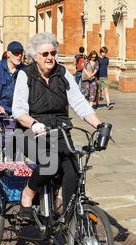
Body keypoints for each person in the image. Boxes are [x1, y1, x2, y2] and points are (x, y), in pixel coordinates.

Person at [12, 32, 102, 219]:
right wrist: (34, 123)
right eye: (45, 54)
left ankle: (67, 225)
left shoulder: (62, 74)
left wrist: (99, 126)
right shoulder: (25, 75)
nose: (50, 57)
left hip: (59, 132)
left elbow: (79, 103)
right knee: (49, 164)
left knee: (73, 173)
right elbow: (19, 110)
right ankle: (28, 193)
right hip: (29, 133)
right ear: (35, 56)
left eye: (53, 53)